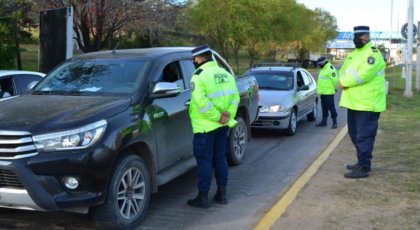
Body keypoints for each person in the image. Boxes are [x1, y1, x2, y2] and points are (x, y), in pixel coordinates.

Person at [187, 44, 240, 208]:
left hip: (205, 127)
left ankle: (203, 198)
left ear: (201, 58)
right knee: (220, 159)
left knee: (204, 162)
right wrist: (227, 116)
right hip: (222, 126)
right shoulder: (225, 74)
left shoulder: (198, 76)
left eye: (195, 59)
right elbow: (235, 98)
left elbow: (202, 104)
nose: (194, 61)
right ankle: (222, 195)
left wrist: (217, 117)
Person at [338, 26, 386, 179]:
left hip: (367, 103)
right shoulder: (353, 54)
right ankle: (361, 161)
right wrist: (341, 79)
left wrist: (344, 82)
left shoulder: (373, 54)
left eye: (359, 36)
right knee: (354, 134)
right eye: (355, 36)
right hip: (353, 102)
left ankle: (364, 167)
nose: (356, 39)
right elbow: (343, 71)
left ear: (367, 36)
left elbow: (363, 75)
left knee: (364, 136)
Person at [315, 56, 339, 129]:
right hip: (323, 93)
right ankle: (324, 121)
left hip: (329, 92)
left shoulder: (330, 69)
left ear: (323, 63)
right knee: (324, 108)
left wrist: (335, 88)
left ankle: (335, 122)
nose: (319, 66)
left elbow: (335, 81)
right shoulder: (323, 69)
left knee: (331, 107)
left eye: (320, 64)